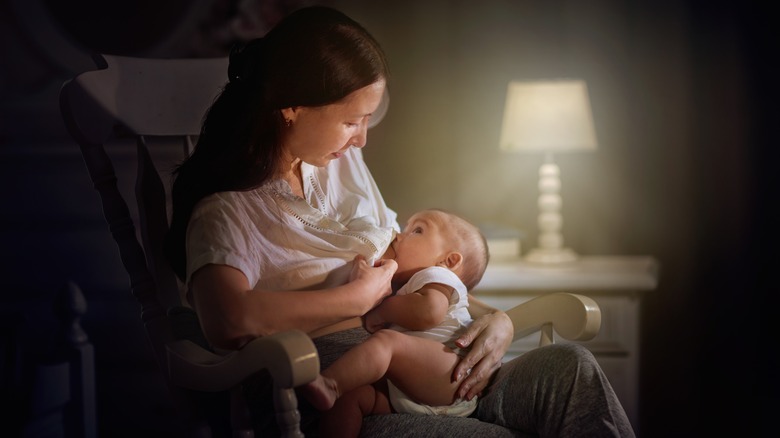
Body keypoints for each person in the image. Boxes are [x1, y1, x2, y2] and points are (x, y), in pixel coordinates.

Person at [165, 5, 635, 437]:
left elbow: (420, 277)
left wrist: (499, 322)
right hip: (350, 396)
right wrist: (354, 297)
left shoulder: (341, 165)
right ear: (292, 107)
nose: (361, 139)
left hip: (436, 363)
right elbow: (228, 319)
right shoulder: (226, 212)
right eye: (352, 121)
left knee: (573, 368)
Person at [303, 208, 488, 437]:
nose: (399, 235)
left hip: (450, 372)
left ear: (448, 260)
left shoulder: (438, 276)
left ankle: (331, 384)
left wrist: (382, 311)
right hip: (414, 390)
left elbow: (430, 311)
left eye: (417, 230)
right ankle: (336, 395)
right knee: (351, 400)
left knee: (388, 343)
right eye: (404, 228)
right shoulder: (413, 284)